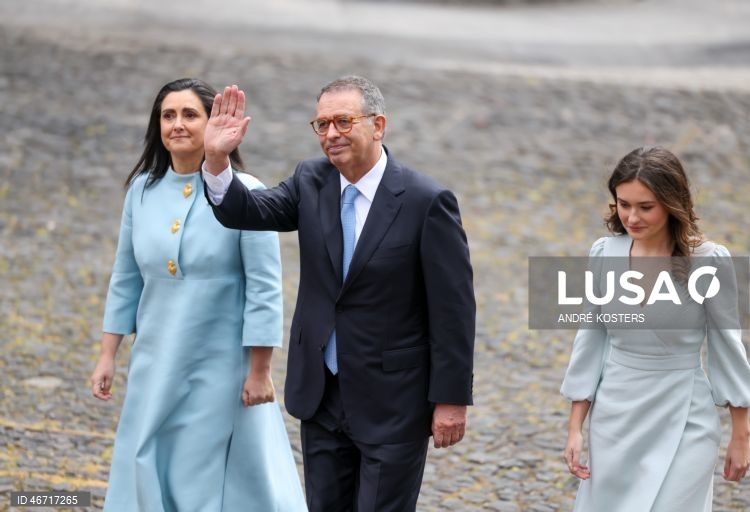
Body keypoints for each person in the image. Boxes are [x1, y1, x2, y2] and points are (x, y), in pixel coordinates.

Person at [200, 75, 475, 511]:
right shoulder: (312, 180)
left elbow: (454, 310)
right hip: (322, 393)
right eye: (322, 124)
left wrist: (452, 399)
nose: (331, 134)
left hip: (394, 401)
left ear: (378, 125)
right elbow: (246, 210)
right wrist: (216, 159)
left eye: (343, 122)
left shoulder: (427, 201)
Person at [89, 78, 307, 512]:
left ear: (212, 124)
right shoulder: (142, 191)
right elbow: (126, 275)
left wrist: (260, 370)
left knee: (203, 466)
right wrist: (108, 354)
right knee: (148, 452)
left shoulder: (248, 191)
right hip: (156, 356)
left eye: (190, 115)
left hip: (222, 364)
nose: (177, 124)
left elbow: (264, 287)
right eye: (168, 115)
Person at [560, 146, 750, 511]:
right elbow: (589, 340)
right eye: (623, 204)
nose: (631, 217)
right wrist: (575, 428)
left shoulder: (709, 262)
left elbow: (727, 347)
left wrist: (740, 434)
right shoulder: (605, 254)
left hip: (686, 416)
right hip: (616, 419)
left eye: (645, 206)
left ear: (672, 203)